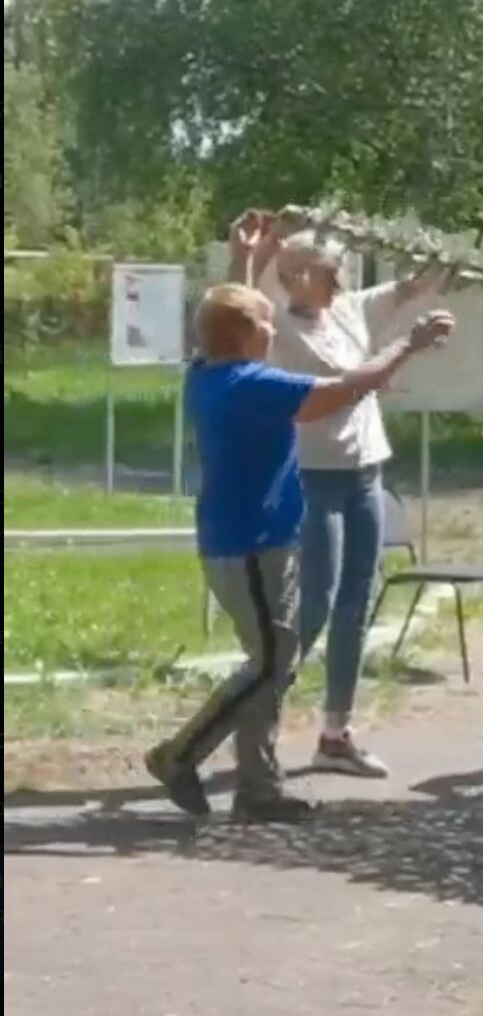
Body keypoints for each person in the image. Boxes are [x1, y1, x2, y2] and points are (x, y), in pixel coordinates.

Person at [144, 283, 453, 822]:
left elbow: (225, 324)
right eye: (265, 325)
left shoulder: (206, 373)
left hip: (255, 542)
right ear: (242, 335)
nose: (273, 331)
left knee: (271, 662)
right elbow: (351, 387)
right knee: (269, 663)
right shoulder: (250, 385)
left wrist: (243, 264)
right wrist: (411, 342)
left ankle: (260, 791)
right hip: (250, 547)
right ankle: (178, 755)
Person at [230, 214, 444, 778]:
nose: (338, 282)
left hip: (366, 472)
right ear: (295, 274)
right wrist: (250, 254)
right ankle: (258, 725)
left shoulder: (346, 309)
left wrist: (448, 260)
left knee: (358, 600)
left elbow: (406, 288)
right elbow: (238, 308)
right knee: (316, 604)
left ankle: (335, 733)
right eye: (327, 272)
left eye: (337, 270)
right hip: (313, 477)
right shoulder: (279, 328)